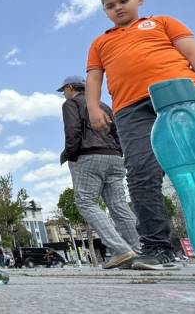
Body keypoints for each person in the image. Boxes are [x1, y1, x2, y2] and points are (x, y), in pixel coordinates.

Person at [85, 0, 195, 270]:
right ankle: (157, 247)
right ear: (105, 12)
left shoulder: (162, 22)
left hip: (181, 95)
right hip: (130, 109)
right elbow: (94, 78)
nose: (118, 8)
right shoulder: (100, 43)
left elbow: (192, 52)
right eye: (110, 6)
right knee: (140, 173)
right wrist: (94, 107)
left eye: (124, 1)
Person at [58, 75, 140, 269]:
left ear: (70, 88)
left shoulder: (71, 104)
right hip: (113, 157)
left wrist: (71, 156)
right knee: (119, 205)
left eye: (64, 91)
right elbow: (116, 133)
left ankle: (121, 250)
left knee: (86, 202)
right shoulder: (102, 105)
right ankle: (137, 251)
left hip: (89, 156)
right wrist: (118, 153)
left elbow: (72, 131)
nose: (64, 95)